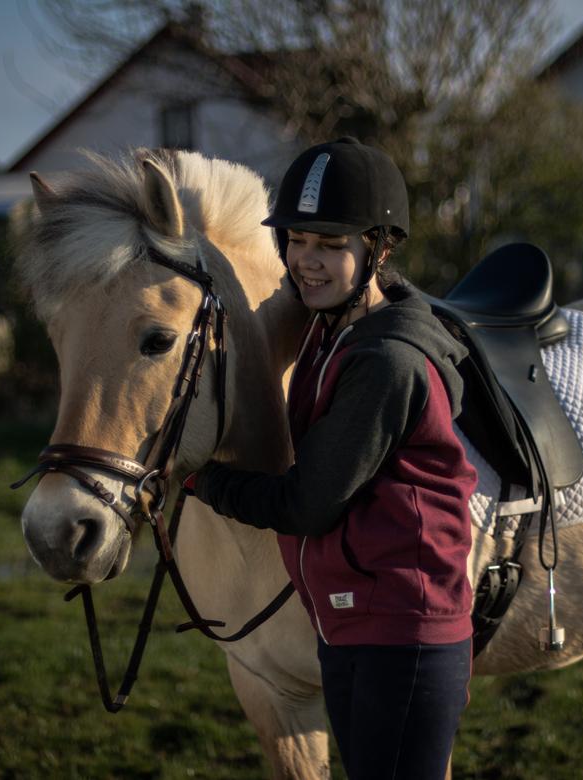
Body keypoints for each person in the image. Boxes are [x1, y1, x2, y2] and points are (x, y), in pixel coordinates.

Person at [186, 137, 478, 779]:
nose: (305, 262)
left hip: (403, 636)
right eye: (296, 241)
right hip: (355, 625)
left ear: (378, 248)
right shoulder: (331, 331)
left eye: (330, 244)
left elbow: (307, 504)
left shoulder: (385, 362)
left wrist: (200, 479)